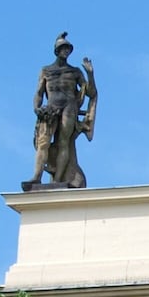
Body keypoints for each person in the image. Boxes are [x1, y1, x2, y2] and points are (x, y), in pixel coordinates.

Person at [25, 32, 97, 190]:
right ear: (57, 51)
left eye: (68, 48)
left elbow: (91, 93)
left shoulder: (74, 72)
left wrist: (90, 74)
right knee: (43, 143)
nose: (66, 51)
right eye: (63, 48)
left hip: (68, 107)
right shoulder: (46, 71)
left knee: (64, 142)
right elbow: (38, 93)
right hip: (50, 108)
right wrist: (37, 108)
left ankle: (57, 180)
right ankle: (36, 177)